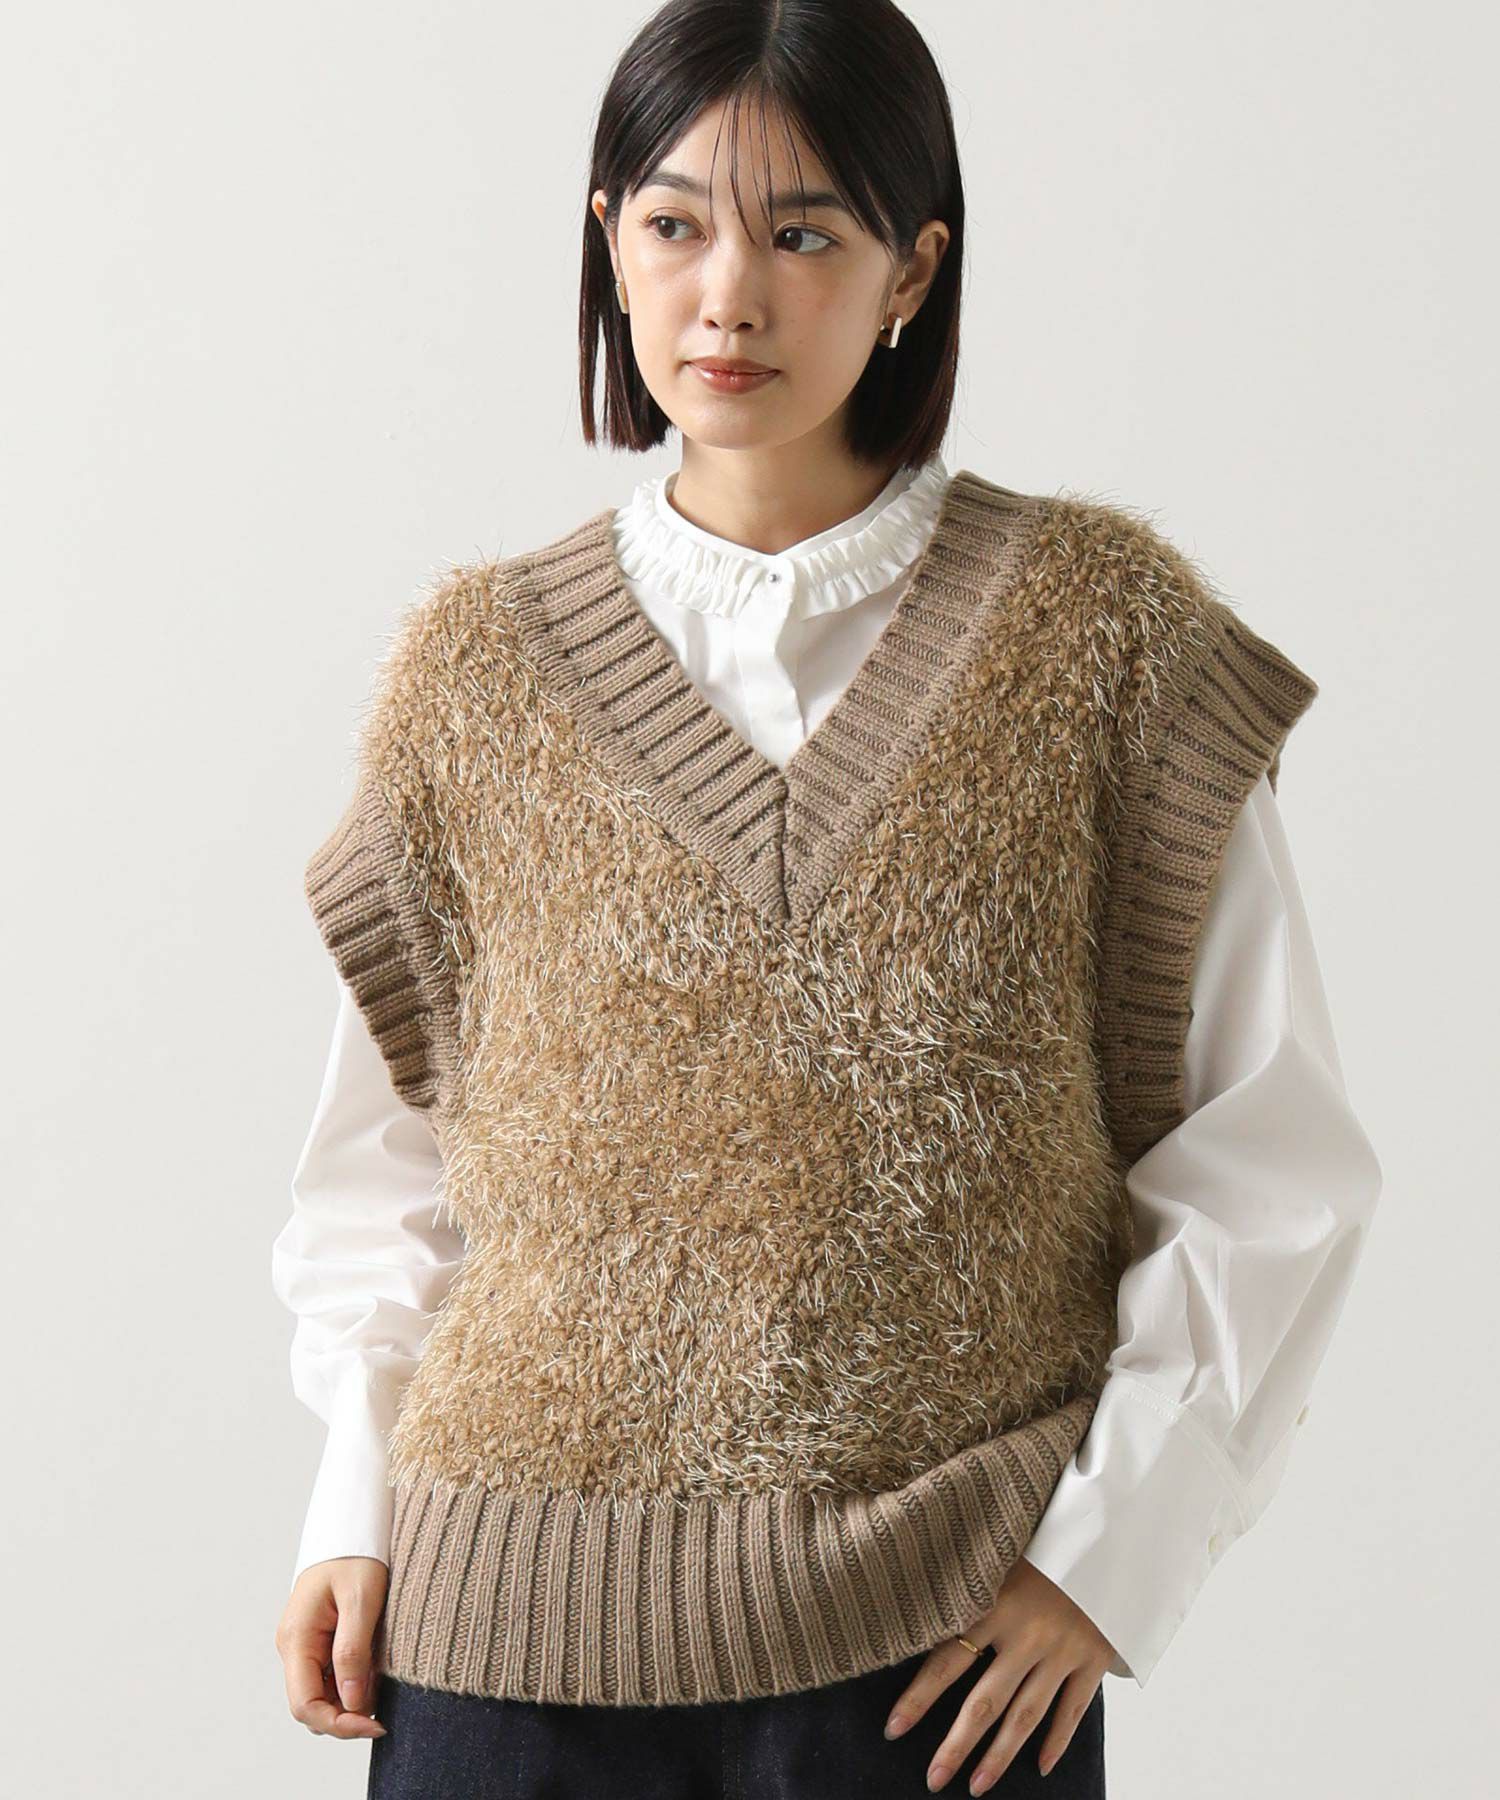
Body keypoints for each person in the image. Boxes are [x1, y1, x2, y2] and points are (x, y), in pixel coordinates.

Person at [272, 2, 1382, 1794]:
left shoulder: (1105, 643)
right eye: (675, 224)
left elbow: (1271, 1163)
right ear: (609, 240)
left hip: (935, 1667)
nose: (730, 297)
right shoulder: (475, 674)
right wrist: (352, 1505)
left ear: (911, 270)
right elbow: (388, 1172)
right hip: (501, 1650)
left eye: (804, 234)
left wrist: (1110, 1562)